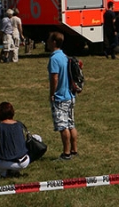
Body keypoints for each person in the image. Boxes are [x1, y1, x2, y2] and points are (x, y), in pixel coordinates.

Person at [47, 32, 78, 161]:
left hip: (60, 97)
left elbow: (55, 77)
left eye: (49, 40)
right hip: (70, 95)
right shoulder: (64, 56)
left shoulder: (54, 58)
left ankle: (66, 153)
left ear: (54, 42)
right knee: (71, 124)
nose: (47, 42)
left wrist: (52, 94)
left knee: (62, 126)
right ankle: (74, 150)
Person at [0, 101, 30, 177]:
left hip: (9, 162)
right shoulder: (19, 124)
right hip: (25, 160)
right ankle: (13, 172)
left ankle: (5, 173)